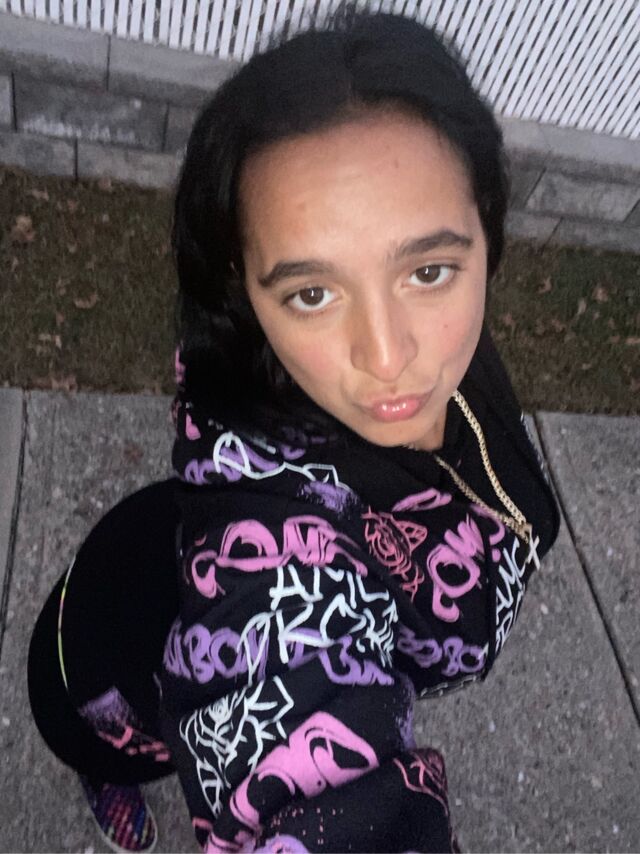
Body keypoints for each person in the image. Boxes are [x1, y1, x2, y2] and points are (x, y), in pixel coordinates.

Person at [28, 5, 560, 853]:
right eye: (312, 293)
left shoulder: (438, 357)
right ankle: (106, 773)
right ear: (243, 293)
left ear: (487, 239)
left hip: (139, 548)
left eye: (427, 270)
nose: (388, 358)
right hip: (101, 668)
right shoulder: (272, 572)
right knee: (111, 746)